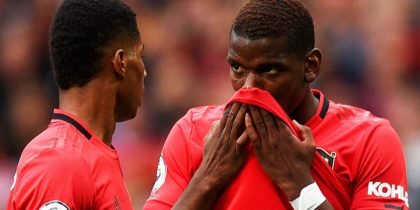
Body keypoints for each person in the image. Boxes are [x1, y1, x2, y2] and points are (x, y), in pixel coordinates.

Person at [143, 0, 408, 209]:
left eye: (269, 70)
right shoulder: (192, 132)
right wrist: (208, 176)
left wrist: (298, 184)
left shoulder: (370, 140)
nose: (249, 88)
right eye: (237, 67)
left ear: (310, 66)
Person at [7, 0, 146, 209]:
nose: (144, 71)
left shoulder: (88, 155)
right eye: (140, 55)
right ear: (121, 62)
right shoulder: (60, 162)